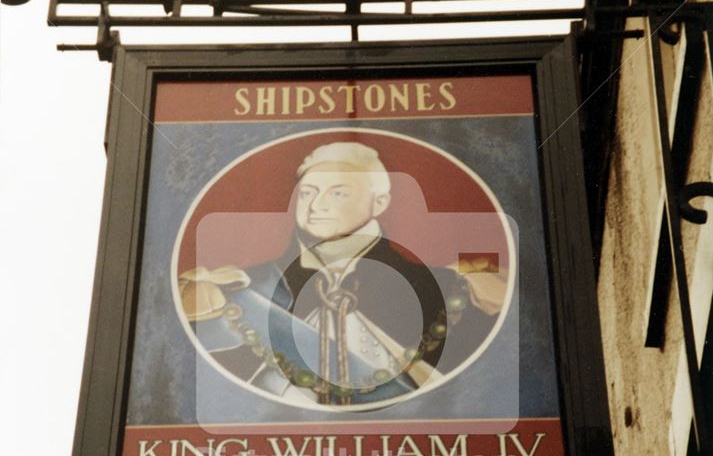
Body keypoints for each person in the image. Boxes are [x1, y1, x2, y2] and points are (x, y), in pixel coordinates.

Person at [178, 142, 506, 407]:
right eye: (307, 193)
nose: (316, 205)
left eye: (338, 193)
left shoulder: (454, 291)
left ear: (379, 202)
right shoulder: (237, 290)